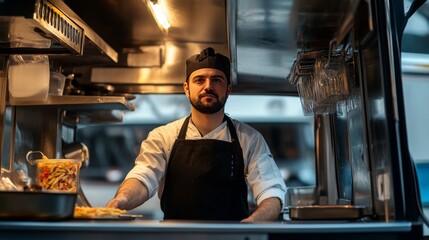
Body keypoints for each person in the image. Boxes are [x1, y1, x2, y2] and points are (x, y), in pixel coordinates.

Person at [106, 47, 287, 222]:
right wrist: (121, 201)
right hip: (176, 238)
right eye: (199, 80)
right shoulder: (163, 137)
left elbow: (271, 192)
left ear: (228, 89)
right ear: (186, 88)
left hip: (233, 237)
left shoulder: (249, 139)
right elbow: (144, 176)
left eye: (217, 80)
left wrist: (251, 224)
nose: (208, 86)